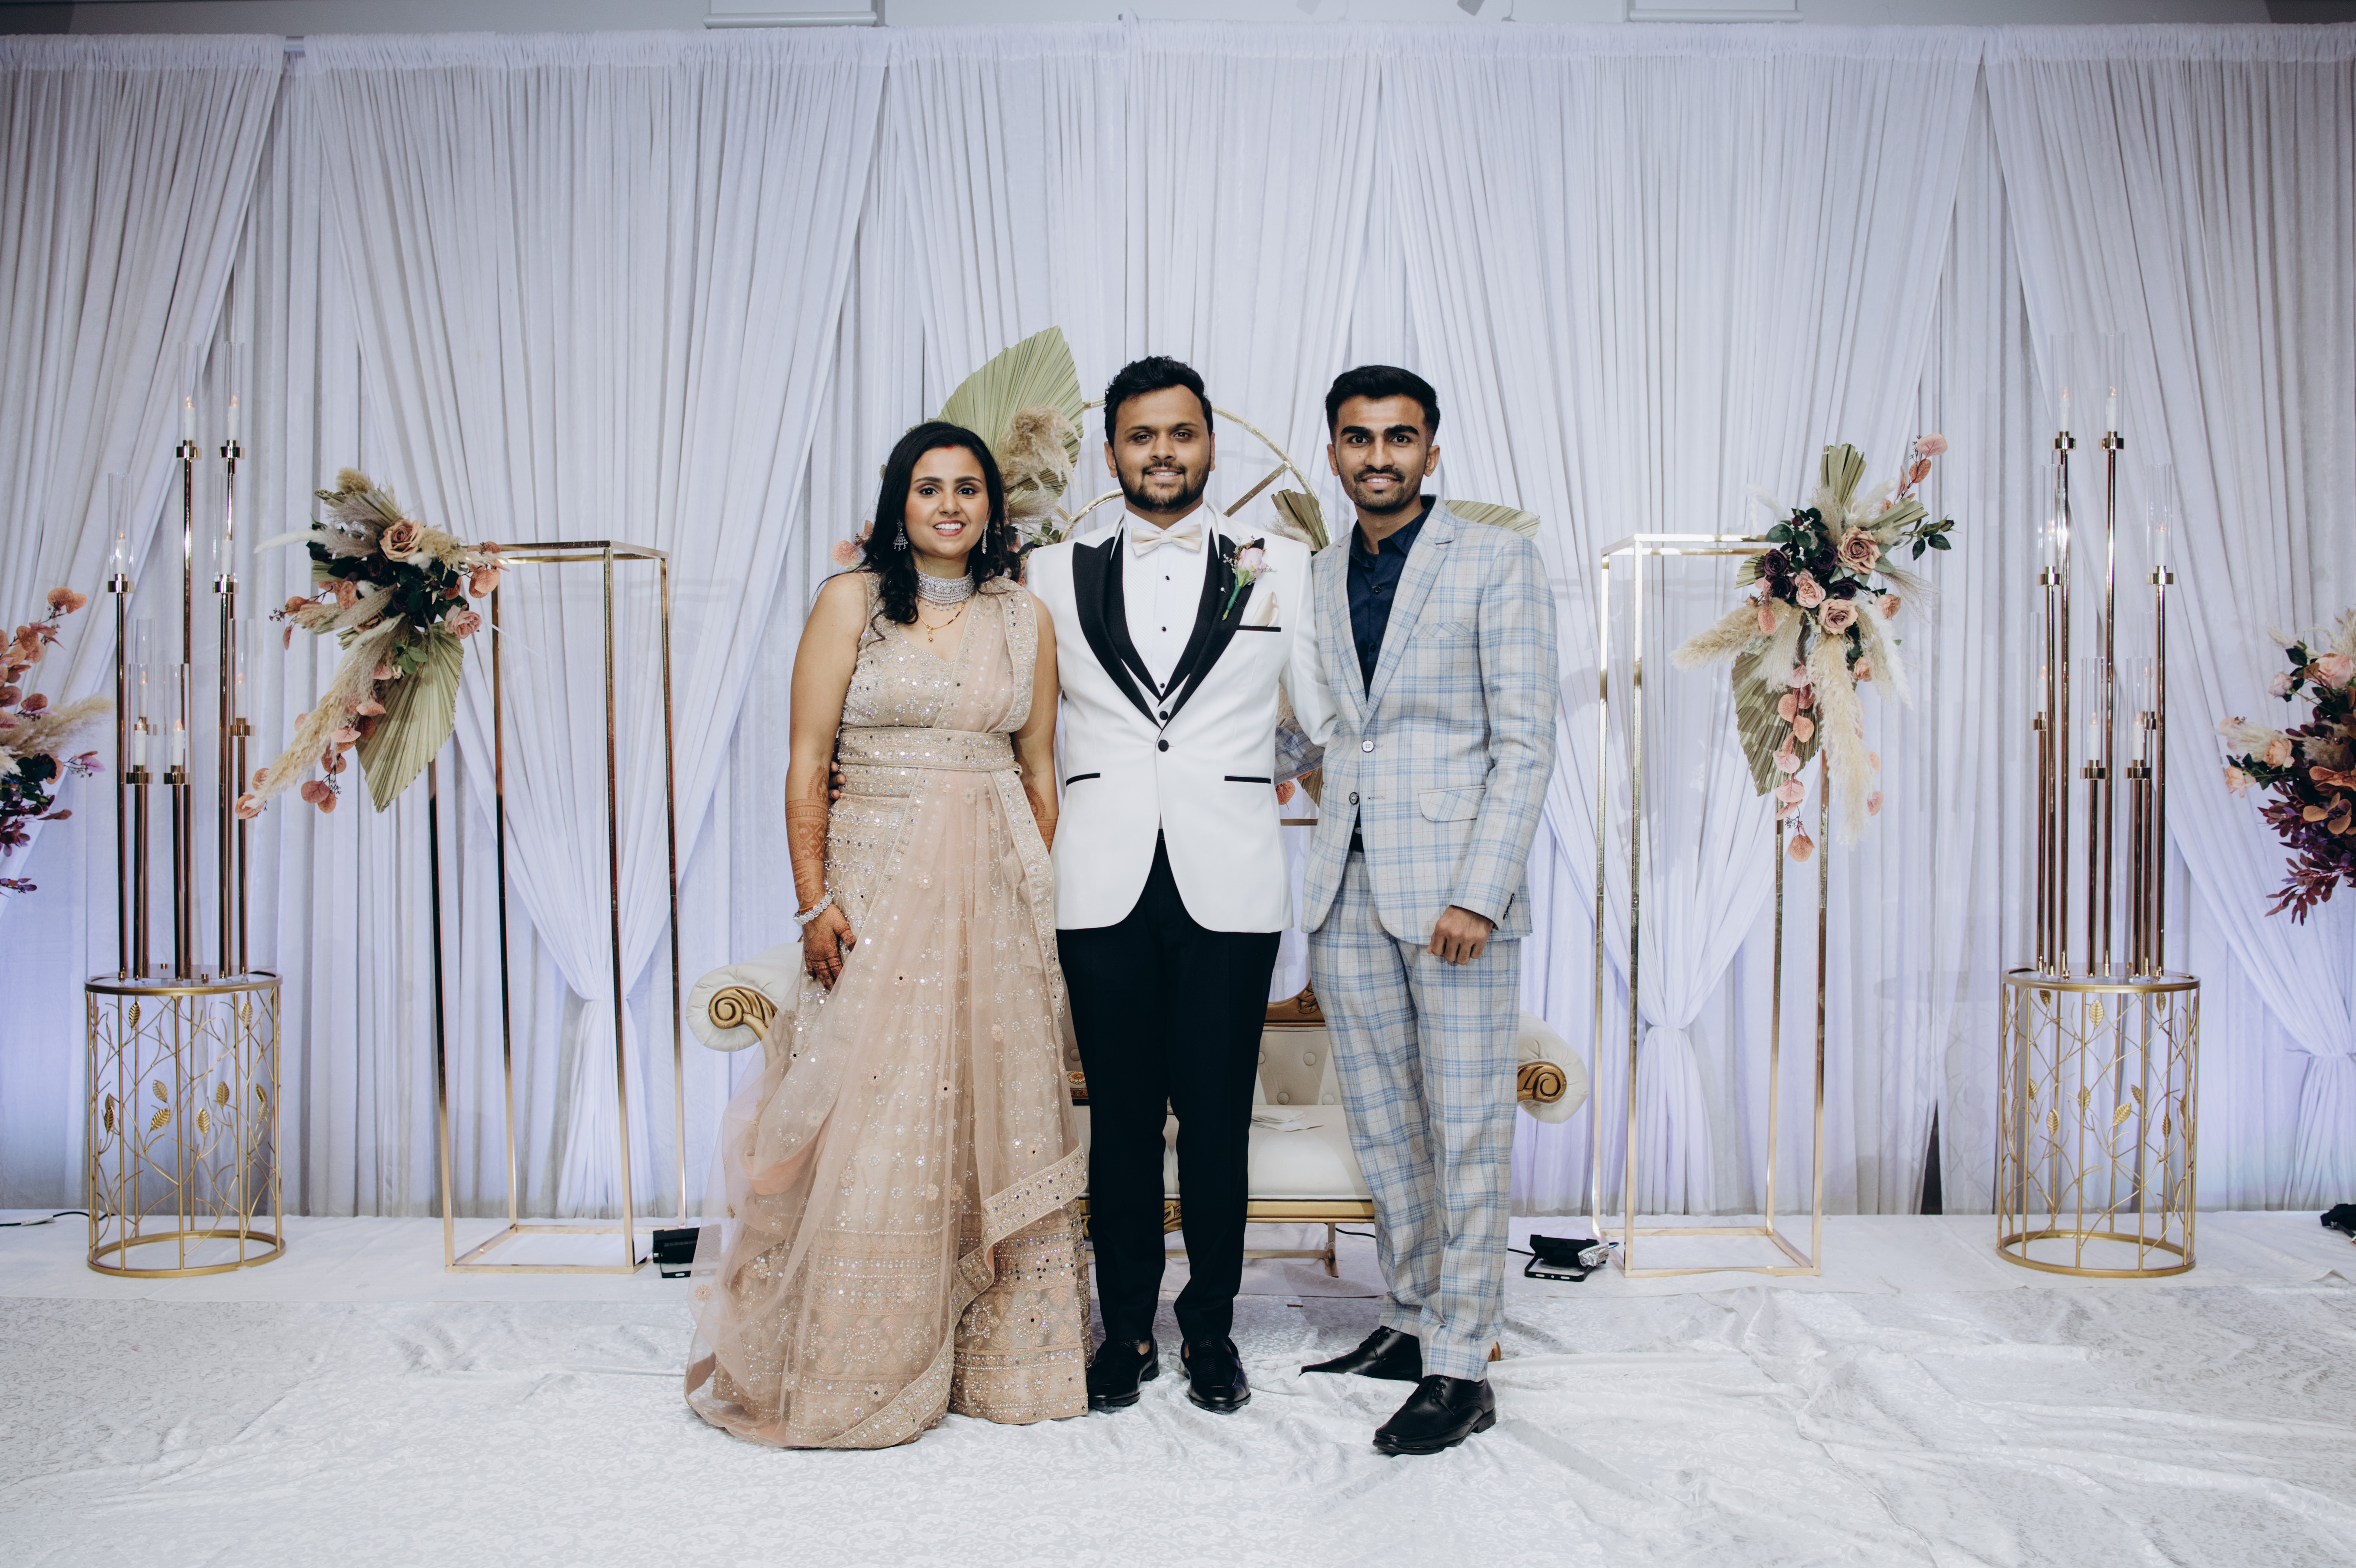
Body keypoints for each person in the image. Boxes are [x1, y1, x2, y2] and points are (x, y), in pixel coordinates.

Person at [684, 420, 1088, 1449]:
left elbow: (1039, 770)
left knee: (991, 1107)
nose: (950, 505)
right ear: (899, 505)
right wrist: (814, 901)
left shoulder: (1025, 616)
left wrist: (1012, 886)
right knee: (876, 1110)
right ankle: (858, 1359)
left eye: (968, 488)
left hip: (993, 904)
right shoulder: (852, 602)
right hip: (873, 890)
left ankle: (995, 1363)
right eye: (929, 487)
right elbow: (806, 758)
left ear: (993, 507)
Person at [1024, 356, 1335, 1416]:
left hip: (1232, 874)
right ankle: (1123, 1330)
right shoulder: (1048, 572)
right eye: (1142, 435)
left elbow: (1321, 719)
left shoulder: (1281, 566)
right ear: (1112, 450)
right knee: (1119, 1119)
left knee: (1213, 1120)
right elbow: (1023, 728)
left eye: (1182, 433)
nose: (1163, 452)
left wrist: (1269, 764)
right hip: (1098, 875)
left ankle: (1209, 1328)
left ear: (1209, 444)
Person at [1292, 365, 1557, 1456]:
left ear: (1431, 451)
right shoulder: (1315, 572)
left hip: (1454, 894)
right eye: (1358, 438)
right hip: (1345, 884)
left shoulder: (1496, 559)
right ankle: (1410, 1317)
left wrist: (1478, 893)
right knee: (1388, 1124)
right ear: (1335, 452)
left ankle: (1461, 1362)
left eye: (1399, 437)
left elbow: (1526, 741)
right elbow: (1325, 726)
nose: (1379, 456)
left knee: (1467, 1126)